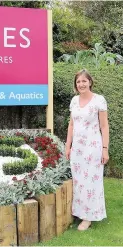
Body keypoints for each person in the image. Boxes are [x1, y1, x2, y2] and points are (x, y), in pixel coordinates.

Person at [65, 69, 109, 231]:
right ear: (75, 85)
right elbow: (71, 125)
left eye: (84, 81)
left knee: (91, 182)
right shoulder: (74, 101)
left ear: (90, 82)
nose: (81, 84)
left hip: (93, 148)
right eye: (78, 82)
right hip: (77, 149)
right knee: (79, 181)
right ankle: (80, 211)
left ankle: (88, 217)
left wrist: (105, 149)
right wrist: (68, 146)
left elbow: (104, 126)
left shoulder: (99, 100)